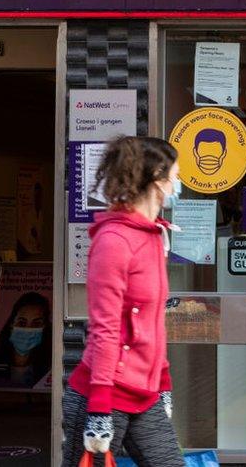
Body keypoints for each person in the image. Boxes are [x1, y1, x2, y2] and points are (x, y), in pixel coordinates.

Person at [62, 136, 183, 467]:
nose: (178, 182)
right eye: (175, 173)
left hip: (145, 396)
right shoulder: (114, 241)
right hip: (103, 395)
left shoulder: (154, 235)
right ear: (158, 179)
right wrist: (99, 406)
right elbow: (105, 327)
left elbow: (152, 320)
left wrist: (164, 380)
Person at [0, 292, 51, 388]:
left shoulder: (49, 370)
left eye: (36, 324)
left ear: (44, 328)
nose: (28, 329)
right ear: (11, 325)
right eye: (22, 323)